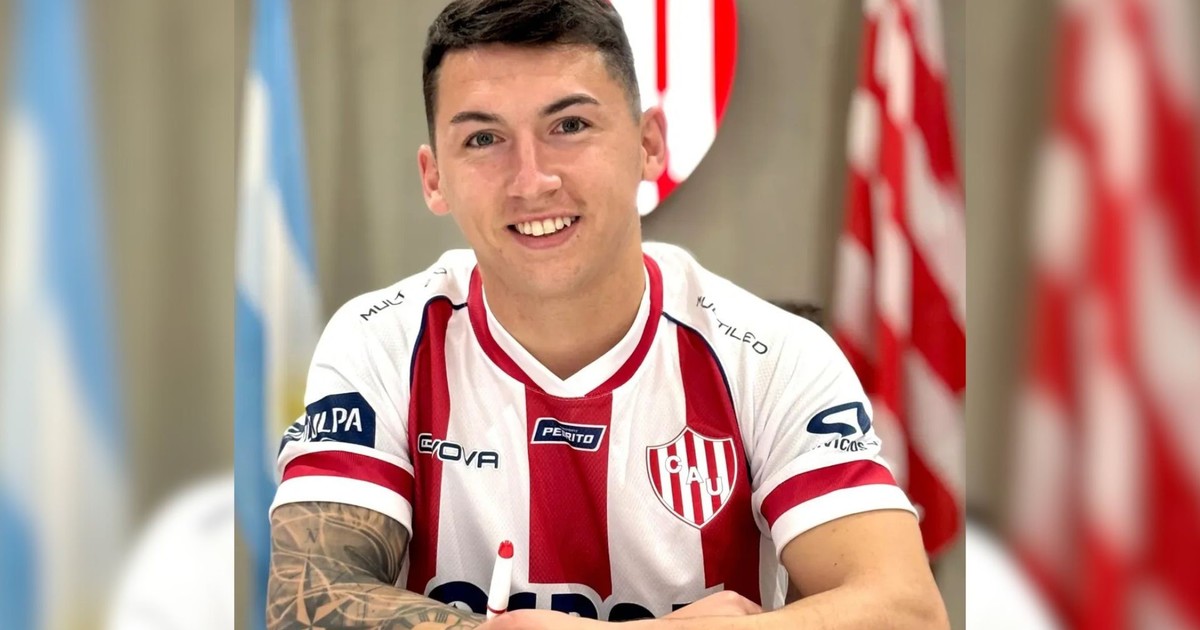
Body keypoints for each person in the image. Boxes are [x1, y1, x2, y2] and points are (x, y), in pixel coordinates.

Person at [266, 0, 949, 628]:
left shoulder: (773, 355)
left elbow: (909, 612)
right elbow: (304, 604)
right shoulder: (380, 341)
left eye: (570, 126)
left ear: (649, 144)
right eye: (483, 139)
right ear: (433, 177)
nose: (532, 180)